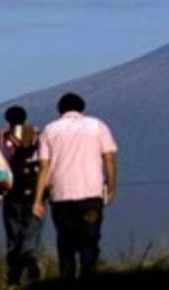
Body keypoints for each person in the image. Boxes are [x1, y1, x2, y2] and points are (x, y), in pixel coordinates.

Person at [33, 92, 117, 283]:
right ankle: (87, 275)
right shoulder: (97, 126)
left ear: (59, 111)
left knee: (66, 240)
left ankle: (66, 278)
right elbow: (109, 157)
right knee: (90, 239)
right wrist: (111, 186)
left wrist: (38, 200)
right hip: (90, 194)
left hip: (60, 195)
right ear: (83, 109)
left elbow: (44, 166)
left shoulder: (50, 130)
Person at [0, 105, 43, 287]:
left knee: (13, 234)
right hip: (35, 192)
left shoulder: (4, 138)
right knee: (32, 231)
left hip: (12, 193)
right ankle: (30, 257)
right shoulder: (36, 135)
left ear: (8, 119)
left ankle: (14, 273)